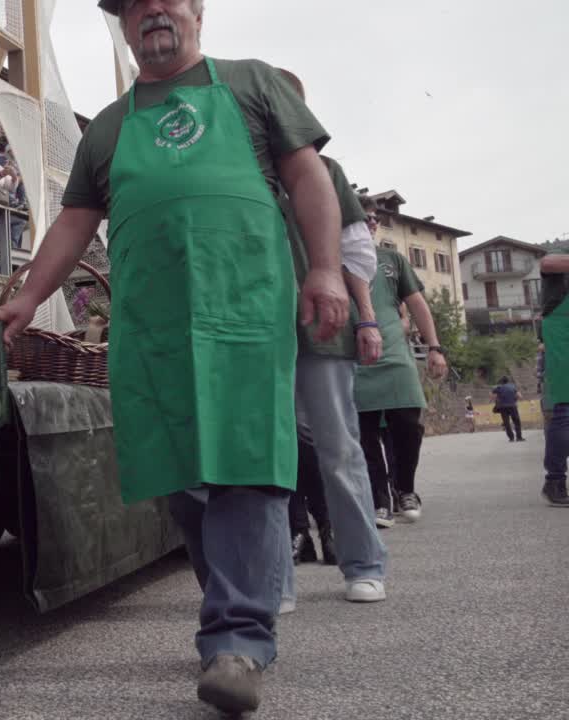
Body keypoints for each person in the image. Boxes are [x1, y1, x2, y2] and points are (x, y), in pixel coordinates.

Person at [0, 0, 351, 712]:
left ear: (196, 11)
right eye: (135, 2)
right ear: (123, 25)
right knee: (182, 476)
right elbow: (75, 222)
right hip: (152, 325)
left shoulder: (251, 85)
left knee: (245, 462)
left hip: (242, 311)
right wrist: (27, 298)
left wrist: (325, 269)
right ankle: (234, 610)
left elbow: (309, 179)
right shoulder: (109, 128)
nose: (153, 9)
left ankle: (237, 638)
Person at [274, 69, 387, 612]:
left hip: (323, 327)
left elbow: (357, 252)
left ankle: (363, 564)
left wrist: (366, 319)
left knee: (339, 448)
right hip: (259, 329)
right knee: (268, 454)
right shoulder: (242, 168)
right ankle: (276, 579)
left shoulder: (326, 170)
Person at [353, 196, 449, 526]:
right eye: (365, 217)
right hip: (353, 360)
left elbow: (418, 305)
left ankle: (405, 489)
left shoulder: (393, 259)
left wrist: (434, 347)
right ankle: (379, 498)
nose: (372, 223)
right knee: (364, 435)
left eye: (374, 218)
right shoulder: (332, 259)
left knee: (409, 423)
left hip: (396, 355)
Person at [536, 253, 569, 506]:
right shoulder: (559, 262)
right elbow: (547, 263)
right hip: (562, 341)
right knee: (564, 413)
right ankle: (555, 481)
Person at [492, 376, 525, 442]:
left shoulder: (498, 387)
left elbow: (493, 396)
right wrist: (515, 399)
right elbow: (520, 396)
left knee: (506, 423)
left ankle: (511, 438)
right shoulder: (513, 386)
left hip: (503, 407)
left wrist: (497, 401)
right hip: (512, 406)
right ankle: (519, 437)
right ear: (508, 381)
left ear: (501, 382)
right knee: (516, 422)